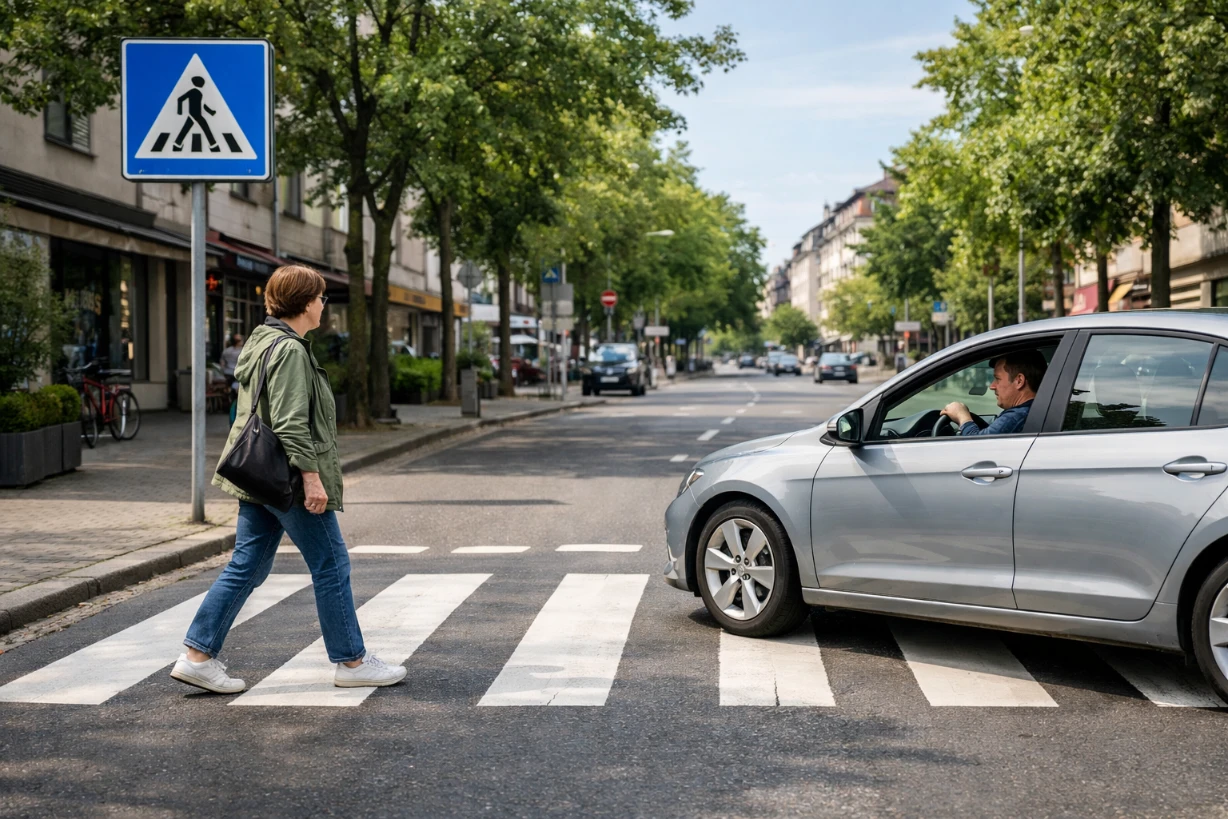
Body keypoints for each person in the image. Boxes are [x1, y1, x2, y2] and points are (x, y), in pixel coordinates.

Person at [171, 264, 406, 694]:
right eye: (320, 298)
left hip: (257, 474)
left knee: (247, 565)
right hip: (288, 479)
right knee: (331, 564)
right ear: (304, 303)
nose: (323, 305)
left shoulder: (262, 341)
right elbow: (291, 422)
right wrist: (312, 479)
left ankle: (197, 656)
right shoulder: (291, 351)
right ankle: (352, 661)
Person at [941, 349, 1048, 436]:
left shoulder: (1017, 416)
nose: (992, 386)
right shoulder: (1034, 411)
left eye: (998, 379)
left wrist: (962, 416)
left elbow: (978, 445)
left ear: (1019, 381)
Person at [220, 334, 244, 424]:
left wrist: (224, 371)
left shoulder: (226, 351)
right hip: (238, 374)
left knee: (230, 394)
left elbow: (222, 362)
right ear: (238, 342)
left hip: (228, 374)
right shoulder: (243, 351)